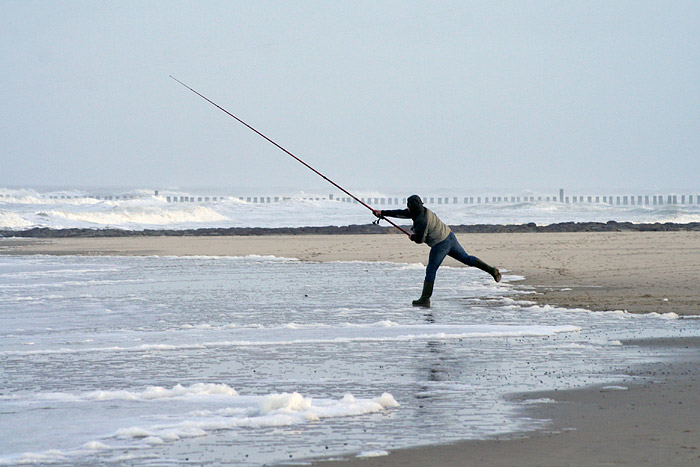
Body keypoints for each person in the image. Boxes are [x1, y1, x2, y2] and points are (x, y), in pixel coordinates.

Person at [374, 195, 501, 307]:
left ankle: (425, 299)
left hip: (440, 244)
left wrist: (413, 237)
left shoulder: (422, 221)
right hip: (450, 236)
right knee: (466, 258)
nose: (407, 209)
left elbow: (420, 240)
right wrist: (383, 213)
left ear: (411, 207)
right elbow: (403, 213)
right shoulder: (423, 211)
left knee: (431, 270)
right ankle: (492, 270)